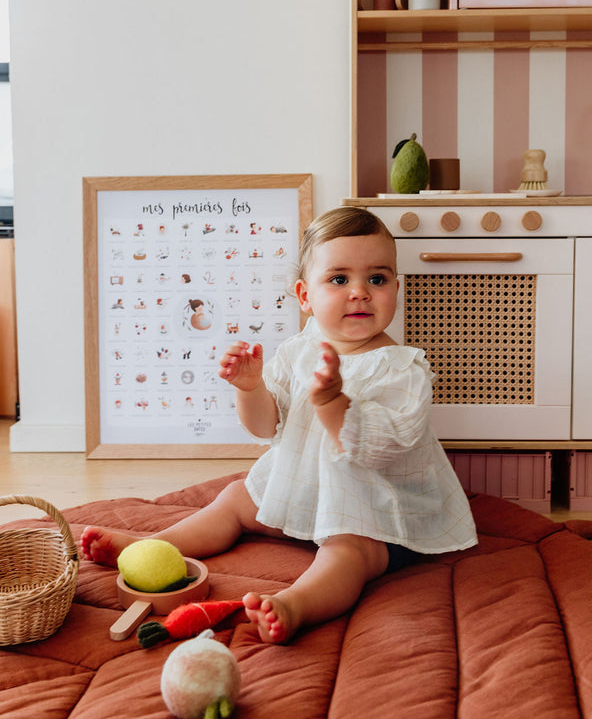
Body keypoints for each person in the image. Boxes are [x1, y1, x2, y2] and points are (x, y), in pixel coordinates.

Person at [80, 207, 477, 644]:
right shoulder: (297, 350)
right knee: (234, 498)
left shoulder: (402, 368)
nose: (360, 292)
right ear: (305, 296)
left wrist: (333, 404)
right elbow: (267, 428)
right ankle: (151, 548)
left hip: (378, 510)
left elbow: (380, 449)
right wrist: (250, 390)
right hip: (305, 487)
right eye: (340, 279)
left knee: (348, 552)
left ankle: (296, 604)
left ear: (397, 288)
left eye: (377, 279)